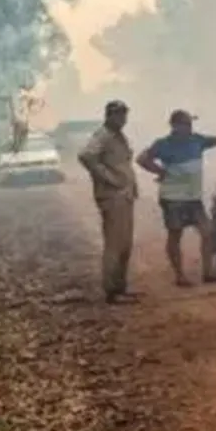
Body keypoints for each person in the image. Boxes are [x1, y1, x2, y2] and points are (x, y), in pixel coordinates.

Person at [135, 109, 216, 287]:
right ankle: (180, 275)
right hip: (173, 197)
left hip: (192, 197)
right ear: (175, 126)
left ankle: (207, 272)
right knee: (175, 235)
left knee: (208, 232)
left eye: (190, 124)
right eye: (186, 124)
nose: (189, 127)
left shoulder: (196, 140)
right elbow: (142, 158)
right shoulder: (163, 144)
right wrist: (160, 171)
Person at [77, 100, 140, 304]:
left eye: (124, 114)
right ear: (109, 115)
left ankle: (121, 287)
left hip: (124, 195)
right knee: (115, 244)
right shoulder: (103, 135)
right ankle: (112, 291)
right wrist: (108, 178)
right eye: (118, 114)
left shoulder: (118, 136)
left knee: (125, 244)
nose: (122, 118)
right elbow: (86, 156)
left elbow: (123, 164)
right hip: (112, 196)